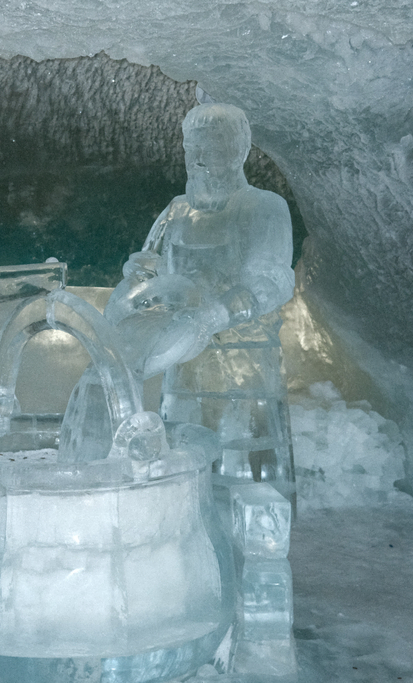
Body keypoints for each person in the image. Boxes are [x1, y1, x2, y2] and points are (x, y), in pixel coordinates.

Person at [105, 102, 296, 499]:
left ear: (240, 150)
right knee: (183, 462)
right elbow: (146, 271)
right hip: (184, 360)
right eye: (193, 148)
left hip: (246, 364)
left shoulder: (264, 207)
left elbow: (271, 281)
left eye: (212, 147)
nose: (200, 159)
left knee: (247, 465)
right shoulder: (176, 210)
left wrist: (214, 314)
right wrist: (130, 295)